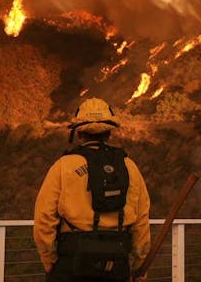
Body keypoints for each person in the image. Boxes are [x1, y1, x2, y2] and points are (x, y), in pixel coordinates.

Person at [34, 98, 151, 282]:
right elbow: (141, 221)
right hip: (116, 264)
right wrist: (138, 265)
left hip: (71, 264)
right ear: (109, 133)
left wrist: (49, 261)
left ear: (79, 132)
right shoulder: (129, 167)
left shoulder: (63, 166)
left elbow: (44, 219)